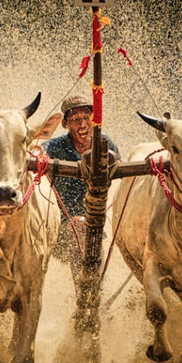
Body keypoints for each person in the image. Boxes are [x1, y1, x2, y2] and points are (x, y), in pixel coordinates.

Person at [42, 95, 120, 336]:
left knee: (89, 235)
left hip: (97, 224)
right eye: (76, 119)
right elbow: (38, 152)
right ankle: (85, 303)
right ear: (65, 124)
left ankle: (94, 302)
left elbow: (121, 171)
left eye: (87, 118)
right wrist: (37, 154)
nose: (83, 125)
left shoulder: (106, 145)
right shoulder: (54, 147)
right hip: (60, 228)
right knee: (79, 231)